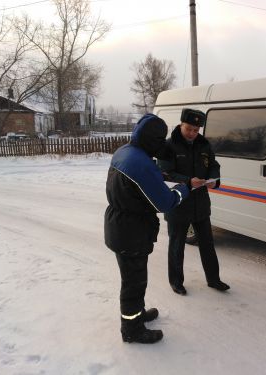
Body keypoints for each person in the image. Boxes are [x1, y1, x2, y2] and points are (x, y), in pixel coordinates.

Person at [104, 114, 189, 344]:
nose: (163, 144)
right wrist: (184, 189)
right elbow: (165, 203)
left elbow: (135, 185)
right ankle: (131, 329)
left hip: (121, 225)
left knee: (135, 278)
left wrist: (157, 176)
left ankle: (138, 314)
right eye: (160, 139)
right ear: (151, 139)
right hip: (131, 232)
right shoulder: (140, 164)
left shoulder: (125, 152)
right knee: (133, 282)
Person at [158, 108, 230, 296]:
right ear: (181, 124)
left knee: (207, 244)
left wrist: (214, 179)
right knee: (177, 246)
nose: (192, 133)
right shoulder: (169, 146)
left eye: (196, 130)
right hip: (177, 203)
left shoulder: (204, 145)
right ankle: (176, 282)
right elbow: (164, 174)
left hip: (201, 204)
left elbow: (213, 165)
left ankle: (214, 280)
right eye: (189, 129)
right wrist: (188, 181)